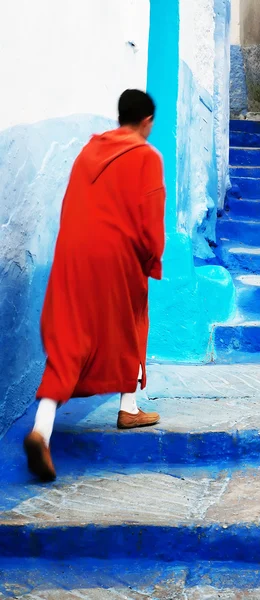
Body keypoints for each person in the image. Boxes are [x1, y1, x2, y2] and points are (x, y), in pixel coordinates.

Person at [24, 89, 166, 483]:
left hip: (73, 253)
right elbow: (151, 218)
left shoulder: (88, 152)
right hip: (117, 255)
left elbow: (73, 202)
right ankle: (129, 406)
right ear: (147, 122)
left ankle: (42, 430)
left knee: (70, 338)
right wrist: (152, 259)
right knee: (130, 324)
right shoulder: (145, 156)